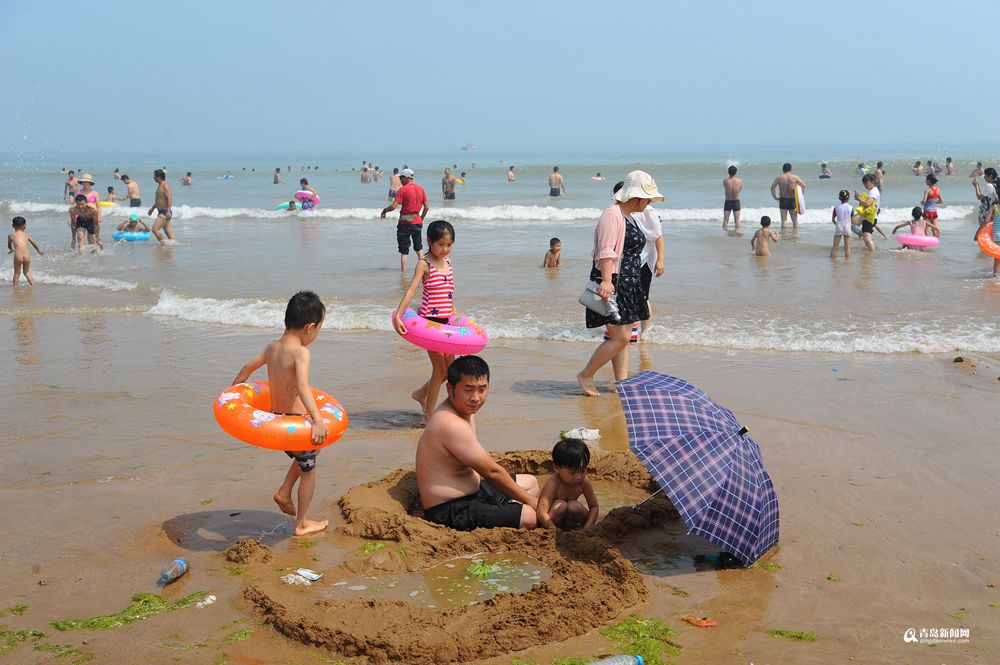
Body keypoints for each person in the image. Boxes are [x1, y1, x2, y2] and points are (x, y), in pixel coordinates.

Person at [230, 291, 330, 536]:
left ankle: (284, 491)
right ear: (310, 327)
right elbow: (304, 388)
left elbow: (247, 368)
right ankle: (303, 522)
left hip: (277, 419)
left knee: (312, 451)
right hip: (296, 425)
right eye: (318, 330)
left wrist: (232, 393)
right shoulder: (301, 353)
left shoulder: (272, 348)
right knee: (310, 471)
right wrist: (317, 419)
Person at [416, 355, 539, 530]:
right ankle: (513, 514)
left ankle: (507, 513)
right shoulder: (450, 424)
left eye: (482, 389)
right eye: (468, 389)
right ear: (450, 389)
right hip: (449, 508)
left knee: (531, 482)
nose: (476, 398)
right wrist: (530, 501)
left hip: (474, 492)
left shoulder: (464, 410)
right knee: (529, 515)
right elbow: (491, 472)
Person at [576, 171, 662, 397]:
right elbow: (605, 250)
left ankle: (621, 381)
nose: (649, 203)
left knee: (623, 335)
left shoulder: (628, 215)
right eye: (648, 199)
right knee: (621, 337)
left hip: (627, 283)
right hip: (613, 282)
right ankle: (586, 374)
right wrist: (606, 280)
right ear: (635, 196)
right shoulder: (612, 215)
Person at [393, 220, 457, 424]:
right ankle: (428, 415)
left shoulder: (447, 262)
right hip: (430, 323)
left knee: (450, 370)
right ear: (430, 242)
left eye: (449, 244)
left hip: (446, 323)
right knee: (439, 370)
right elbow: (412, 289)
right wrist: (398, 315)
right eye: (441, 245)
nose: (445, 249)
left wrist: (454, 313)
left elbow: (449, 292)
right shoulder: (424, 264)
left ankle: (421, 394)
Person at [535, 438, 599, 529]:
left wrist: (587, 528)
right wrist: (552, 529)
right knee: (561, 505)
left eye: (583, 470)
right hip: (553, 521)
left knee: (574, 506)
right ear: (557, 468)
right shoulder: (554, 482)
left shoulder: (584, 482)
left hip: (572, 521)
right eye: (572, 473)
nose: (579, 477)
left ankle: (581, 528)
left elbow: (594, 507)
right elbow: (541, 512)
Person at [381, 168, 429, 273]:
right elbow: (426, 207)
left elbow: (394, 206)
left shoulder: (402, 190)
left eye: (401, 178)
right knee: (419, 248)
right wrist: (421, 218)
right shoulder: (421, 189)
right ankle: (423, 270)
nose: (400, 181)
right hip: (417, 222)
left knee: (404, 250)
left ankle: (403, 273)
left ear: (405, 178)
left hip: (404, 223)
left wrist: (385, 210)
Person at [853, 174, 885, 251]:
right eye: (863, 183)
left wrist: (859, 199)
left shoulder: (873, 191)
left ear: (872, 181)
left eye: (866, 182)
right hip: (869, 217)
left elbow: (868, 203)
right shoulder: (873, 191)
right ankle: (871, 252)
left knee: (867, 238)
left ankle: (872, 254)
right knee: (866, 237)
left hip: (869, 218)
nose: (864, 185)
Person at [8, 217, 43, 287]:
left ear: (13, 225)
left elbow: (9, 246)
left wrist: (12, 249)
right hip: (27, 256)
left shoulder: (11, 235)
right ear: (25, 226)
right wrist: (39, 250)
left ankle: (15, 287)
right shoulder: (27, 235)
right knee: (26, 272)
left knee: (17, 273)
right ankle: (33, 286)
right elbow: (34, 243)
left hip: (18, 256)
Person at [770, 163, 805, 228]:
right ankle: (795, 235)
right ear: (790, 169)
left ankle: (784, 236)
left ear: (783, 169)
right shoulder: (795, 177)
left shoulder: (779, 178)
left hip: (783, 200)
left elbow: (772, 187)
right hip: (792, 200)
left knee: (784, 221)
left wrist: (775, 197)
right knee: (794, 220)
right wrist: (799, 196)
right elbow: (803, 185)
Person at [147, 169, 175, 243]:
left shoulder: (165, 186)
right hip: (161, 211)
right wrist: (152, 208)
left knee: (154, 229)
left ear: (158, 177)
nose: (153, 178)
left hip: (165, 211)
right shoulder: (160, 185)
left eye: (154, 176)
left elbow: (169, 199)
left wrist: (168, 212)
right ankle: (173, 247)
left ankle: (164, 244)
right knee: (169, 233)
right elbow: (159, 200)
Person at [77, 174, 104, 248]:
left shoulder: (95, 193)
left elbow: (98, 207)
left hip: (91, 218)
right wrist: (71, 218)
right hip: (80, 217)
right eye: (83, 182)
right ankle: (81, 256)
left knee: (91, 240)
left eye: (86, 182)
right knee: (80, 236)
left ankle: (93, 257)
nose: (84, 183)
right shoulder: (78, 192)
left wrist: (99, 217)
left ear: (90, 183)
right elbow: (74, 206)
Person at [972, 167, 998, 236]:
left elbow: (979, 197)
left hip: (988, 215)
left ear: (990, 177)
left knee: (985, 235)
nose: (984, 178)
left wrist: (976, 185)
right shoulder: (996, 185)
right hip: (994, 214)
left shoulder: (989, 186)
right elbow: (984, 199)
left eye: (985, 176)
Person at [977, 203, 1000, 276]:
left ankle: (996, 277)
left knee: (997, 258)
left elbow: (986, 221)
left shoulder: (994, 207)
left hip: (997, 236)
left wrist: (977, 233)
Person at [831, 190, 853, 259]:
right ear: (848, 197)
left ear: (839, 198)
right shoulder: (851, 207)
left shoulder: (836, 207)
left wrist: (837, 224)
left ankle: (832, 260)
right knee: (847, 247)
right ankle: (847, 262)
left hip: (839, 226)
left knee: (835, 246)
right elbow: (851, 218)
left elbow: (833, 219)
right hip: (847, 226)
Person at [723, 165, 743, 230]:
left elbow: (726, 190)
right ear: (736, 172)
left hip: (728, 201)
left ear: (728, 172)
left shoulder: (725, 181)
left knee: (726, 220)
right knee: (737, 220)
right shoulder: (740, 181)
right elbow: (739, 190)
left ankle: (724, 234)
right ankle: (737, 233)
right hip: (736, 201)